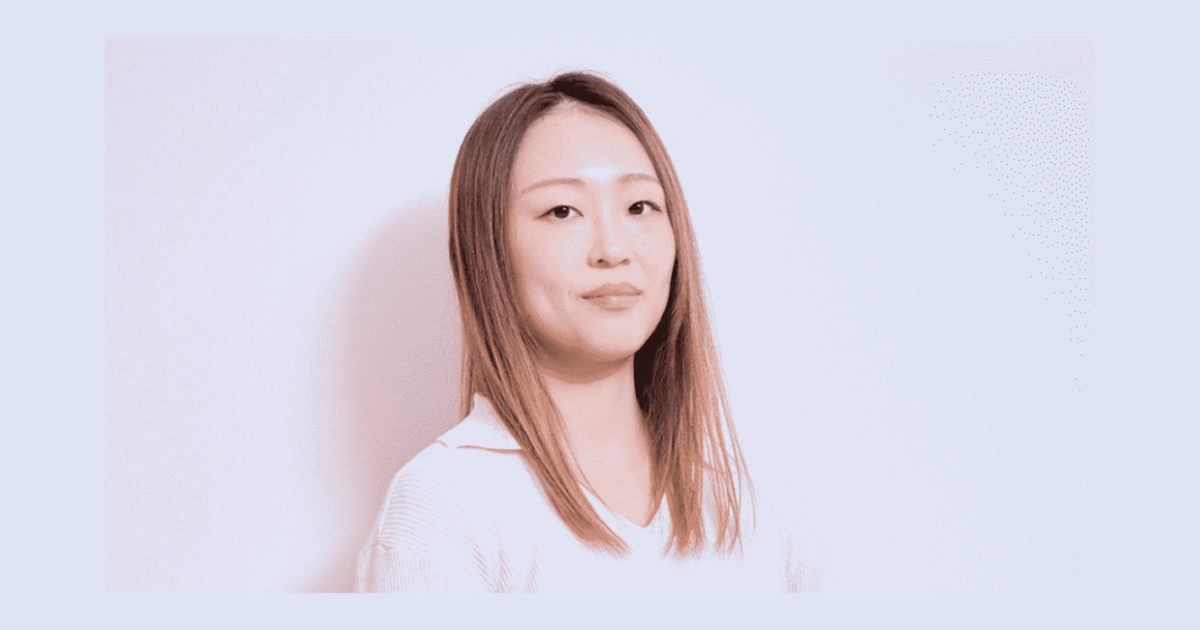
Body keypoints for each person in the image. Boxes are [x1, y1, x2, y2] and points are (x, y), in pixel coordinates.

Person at [356, 71, 824, 592]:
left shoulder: (756, 500)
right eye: (562, 211)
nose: (614, 249)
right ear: (486, 250)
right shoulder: (444, 509)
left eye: (640, 207)